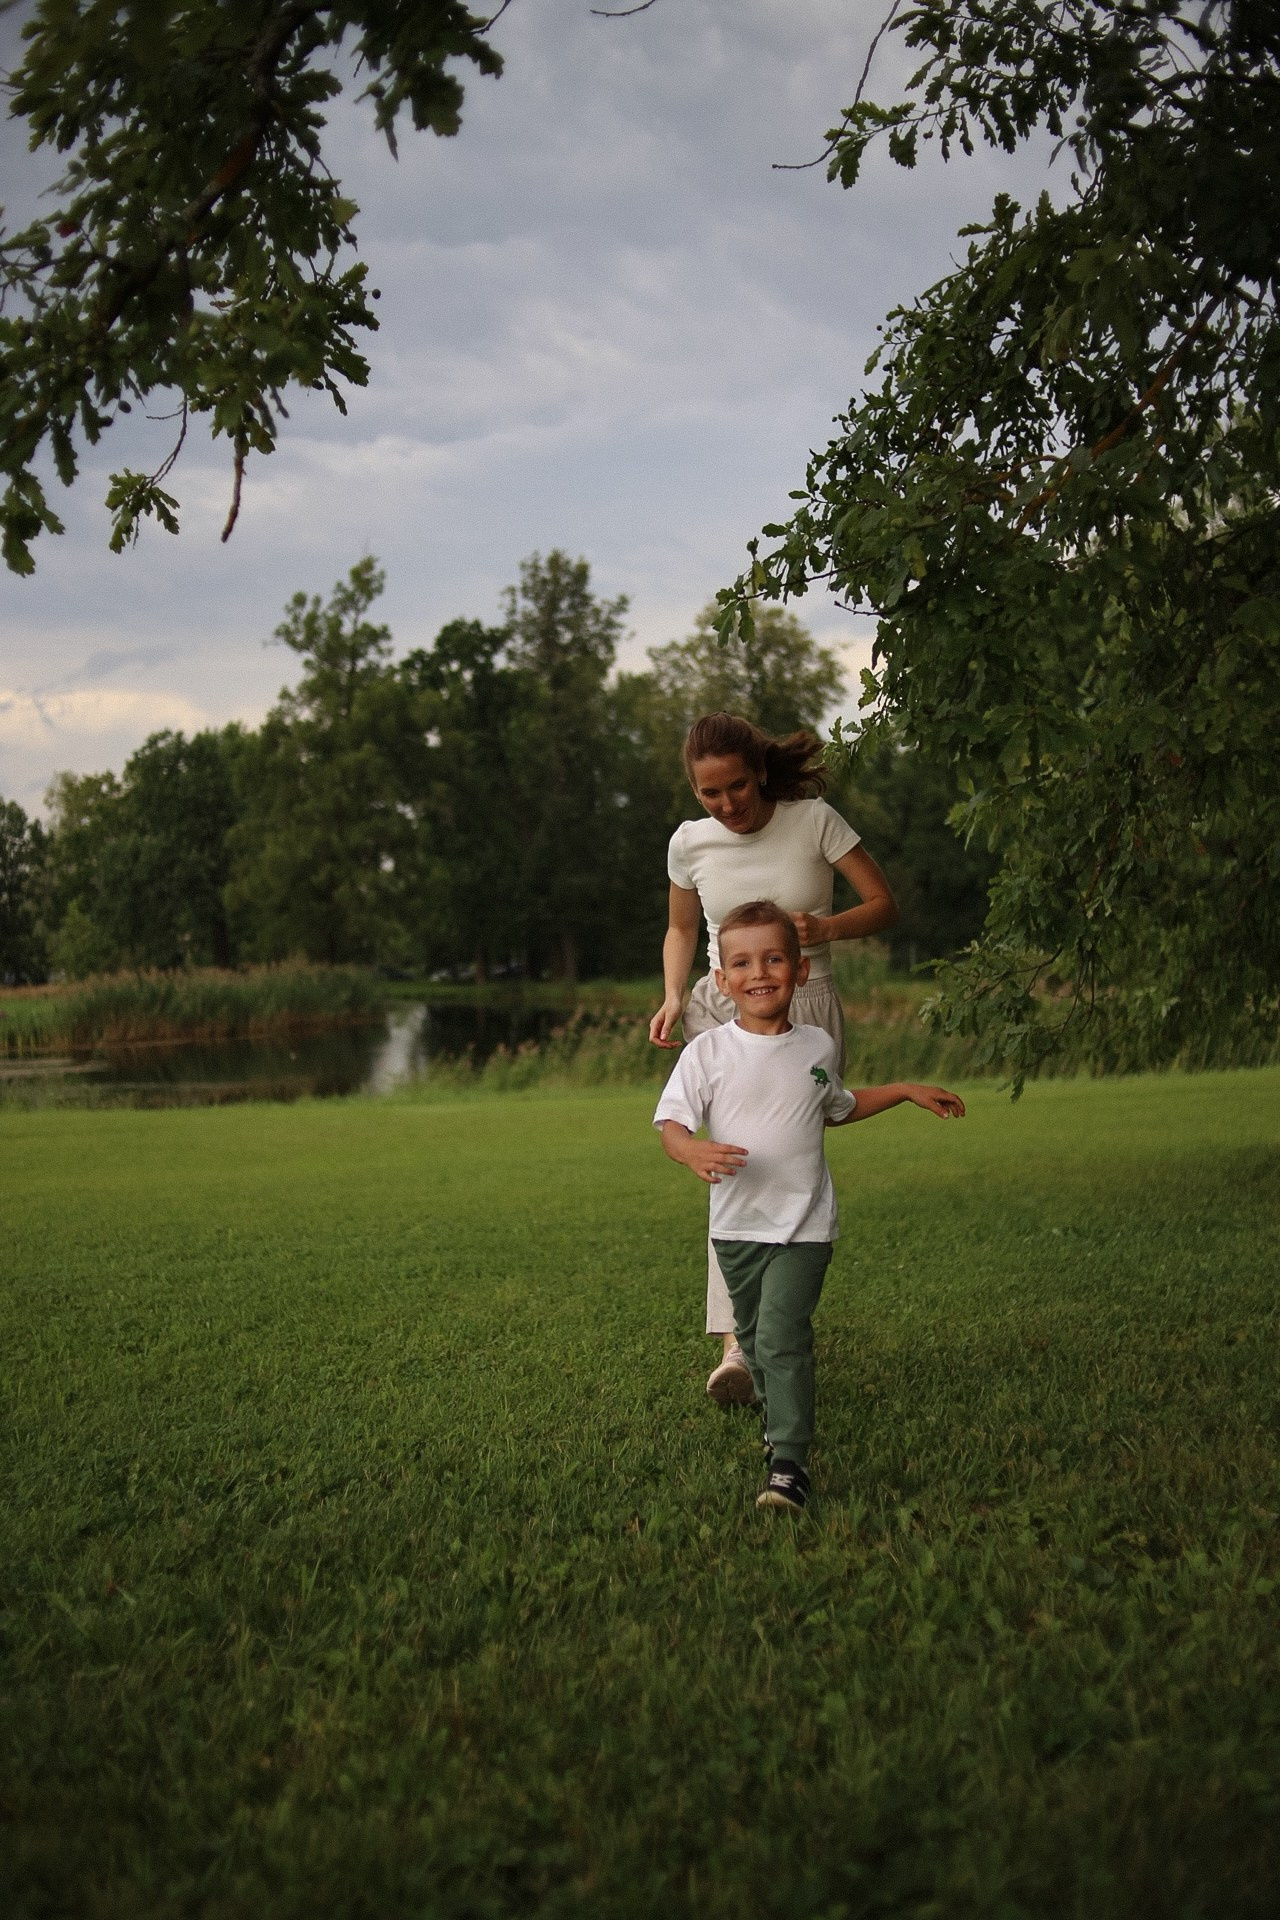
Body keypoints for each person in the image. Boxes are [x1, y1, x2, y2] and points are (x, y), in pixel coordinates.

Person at [654, 898, 965, 1513]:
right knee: (760, 1343)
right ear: (721, 980)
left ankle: (790, 1465)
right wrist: (691, 1153)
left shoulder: (816, 1046)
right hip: (736, 1231)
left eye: (774, 958)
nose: (759, 972)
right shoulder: (707, 1053)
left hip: (804, 1226)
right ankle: (777, 1424)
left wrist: (904, 1091)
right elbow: (671, 1124)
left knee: (781, 1335)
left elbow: (839, 1107)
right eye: (741, 962)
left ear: (799, 971)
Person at [648, 711, 899, 1407]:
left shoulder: (814, 820)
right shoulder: (689, 843)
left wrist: (827, 928)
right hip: (720, 1000)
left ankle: (763, 1330)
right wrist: (673, 996)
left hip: (804, 1001)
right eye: (709, 794)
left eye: (735, 787)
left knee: (780, 1164)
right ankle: (737, 1347)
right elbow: (679, 928)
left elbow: (883, 905)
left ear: (759, 770)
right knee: (729, 1163)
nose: (726, 805)